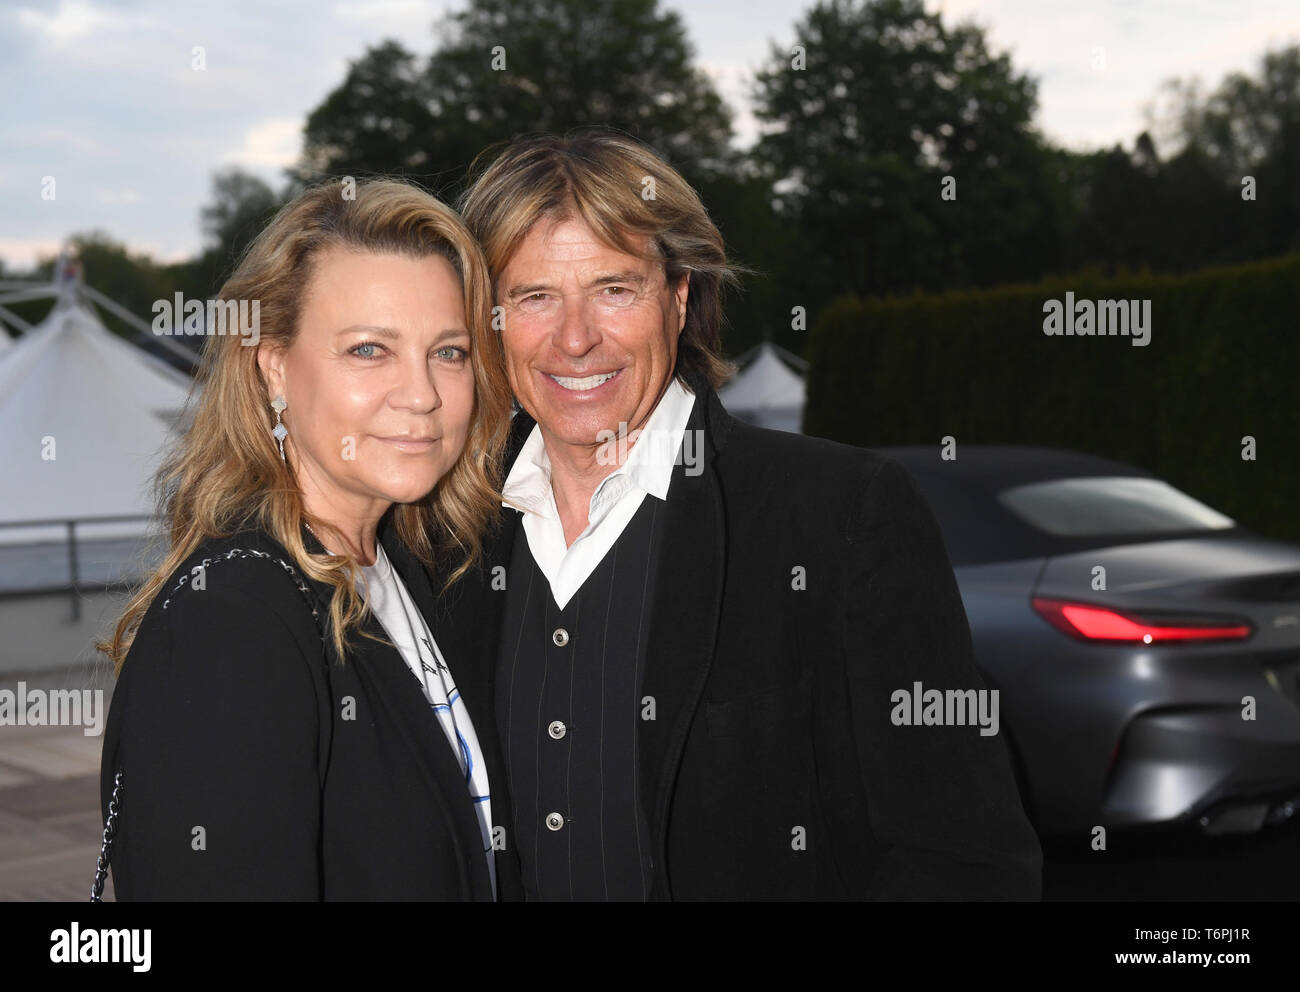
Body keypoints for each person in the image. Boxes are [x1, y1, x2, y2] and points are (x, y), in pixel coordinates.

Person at [425, 128, 1043, 900]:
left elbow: (964, 862)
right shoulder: (442, 535)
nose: (575, 338)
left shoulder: (838, 518)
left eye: (615, 288)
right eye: (534, 296)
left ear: (680, 299)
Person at [97, 178, 522, 900]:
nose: (421, 394)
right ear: (272, 367)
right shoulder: (230, 623)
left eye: (448, 352)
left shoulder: (406, 572)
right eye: (368, 350)